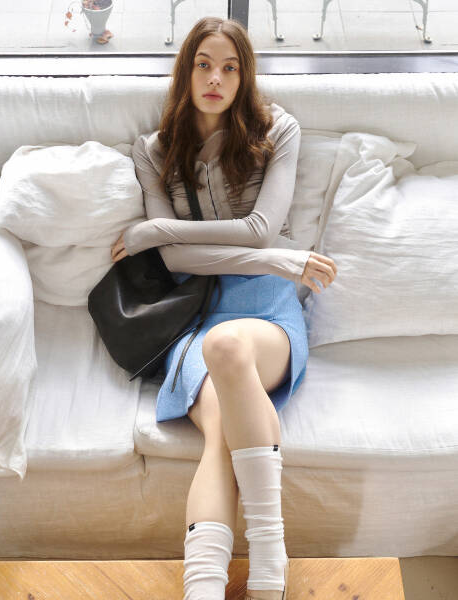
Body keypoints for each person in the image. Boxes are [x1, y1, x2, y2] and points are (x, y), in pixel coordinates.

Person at [111, 16, 337, 600]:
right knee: (219, 437)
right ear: (185, 72)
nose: (215, 79)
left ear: (245, 76)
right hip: (193, 319)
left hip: (266, 313)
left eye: (230, 68)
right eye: (204, 65)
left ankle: (269, 551)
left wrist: (156, 229)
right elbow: (177, 260)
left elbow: (261, 229)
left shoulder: (277, 130)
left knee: (229, 344)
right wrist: (272, 257)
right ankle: (222, 587)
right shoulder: (153, 151)